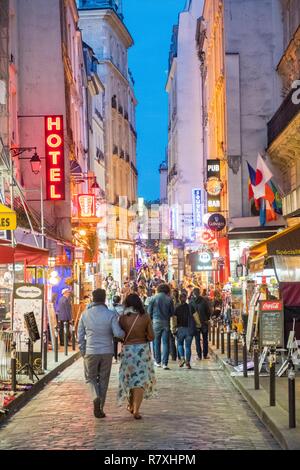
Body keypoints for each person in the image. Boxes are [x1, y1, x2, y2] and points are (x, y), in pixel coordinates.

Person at [78, 288, 125, 419]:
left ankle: (95, 396)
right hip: (107, 351)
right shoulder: (110, 314)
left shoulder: (85, 314)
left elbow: (80, 336)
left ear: (92, 298)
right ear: (104, 299)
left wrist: (83, 351)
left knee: (90, 378)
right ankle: (100, 408)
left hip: (91, 351)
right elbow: (118, 333)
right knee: (104, 380)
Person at [118, 294, 156, 420]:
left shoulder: (123, 318)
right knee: (140, 380)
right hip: (142, 351)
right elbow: (151, 336)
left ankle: (130, 404)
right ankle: (137, 410)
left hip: (128, 350)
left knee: (129, 378)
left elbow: (119, 335)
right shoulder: (145, 317)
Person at [147, 283, 174, 370]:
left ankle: (157, 361)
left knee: (156, 342)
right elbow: (172, 313)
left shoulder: (153, 298)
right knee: (166, 343)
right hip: (166, 322)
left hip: (156, 322)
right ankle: (165, 363)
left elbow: (149, 312)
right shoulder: (169, 299)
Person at [173, 291, 195, 369]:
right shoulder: (190, 307)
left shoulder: (176, 308)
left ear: (179, 299)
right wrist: (198, 326)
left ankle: (182, 358)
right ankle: (188, 362)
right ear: (186, 299)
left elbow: (174, 319)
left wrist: (173, 328)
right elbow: (196, 317)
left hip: (180, 329)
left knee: (179, 344)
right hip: (189, 329)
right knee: (188, 346)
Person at [190, 288, 211, 360]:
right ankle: (205, 355)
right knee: (205, 339)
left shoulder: (191, 302)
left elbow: (190, 313)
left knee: (197, 339)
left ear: (193, 293)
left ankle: (199, 356)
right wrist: (207, 319)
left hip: (196, 323)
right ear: (199, 292)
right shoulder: (204, 300)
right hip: (204, 322)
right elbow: (208, 311)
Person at [112, 295, 124, 363]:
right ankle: (122, 355)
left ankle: (115, 358)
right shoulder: (123, 308)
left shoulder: (110, 308)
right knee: (123, 341)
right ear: (119, 300)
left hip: (114, 326)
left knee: (115, 342)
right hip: (122, 326)